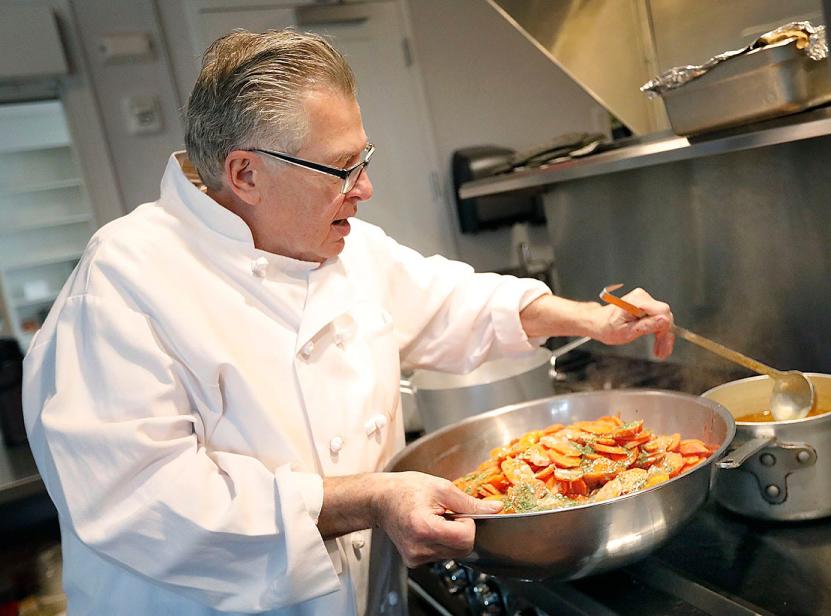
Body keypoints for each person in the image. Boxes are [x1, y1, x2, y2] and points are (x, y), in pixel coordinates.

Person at [22, 29, 674, 616]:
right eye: (341, 169)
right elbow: (149, 503)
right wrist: (370, 498)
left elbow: (445, 299)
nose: (363, 189)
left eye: (364, 160)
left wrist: (587, 318)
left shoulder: (337, 241)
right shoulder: (122, 285)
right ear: (245, 173)